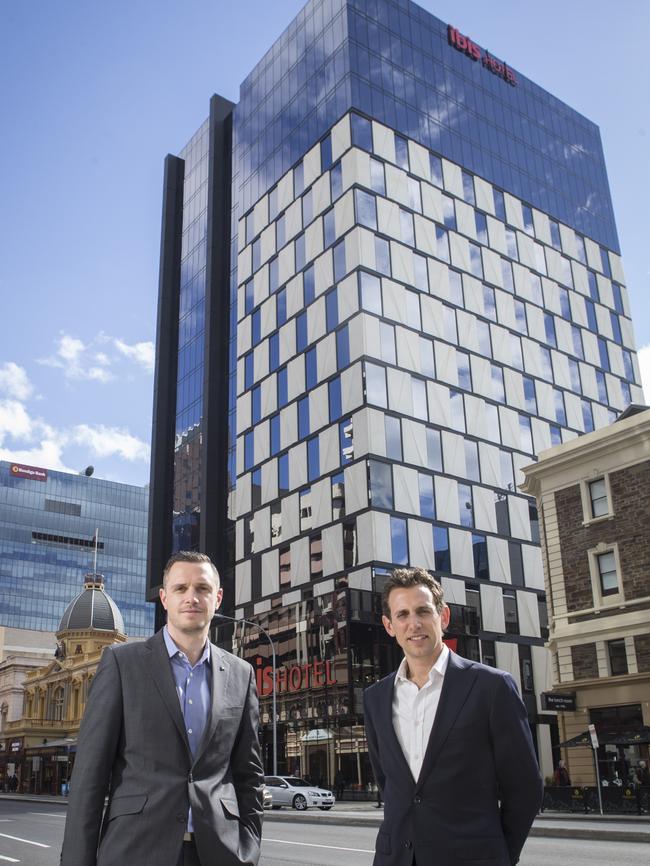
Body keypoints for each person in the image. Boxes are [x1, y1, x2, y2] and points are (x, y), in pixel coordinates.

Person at [60, 551, 264, 866]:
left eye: (202, 589)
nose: (192, 597)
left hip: (219, 854)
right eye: (181, 588)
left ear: (218, 597)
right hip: (136, 850)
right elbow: (89, 776)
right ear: (164, 597)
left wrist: (248, 847)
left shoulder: (241, 673)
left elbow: (248, 776)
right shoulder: (121, 664)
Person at [363, 567, 542, 866]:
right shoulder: (375, 698)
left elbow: (525, 788)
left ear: (443, 617)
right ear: (389, 625)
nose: (414, 623)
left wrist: (497, 857)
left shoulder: (491, 687)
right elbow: (390, 782)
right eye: (403, 614)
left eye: (423, 611)